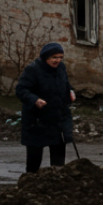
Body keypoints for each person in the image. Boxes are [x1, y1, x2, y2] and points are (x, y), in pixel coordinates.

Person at [15, 42, 76, 173]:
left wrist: (70, 91)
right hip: (37, 120)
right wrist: (35, 100)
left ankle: (57, 184)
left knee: (58, 162)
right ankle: (30, 185)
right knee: (34, 161)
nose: (58, 60)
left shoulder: (61, 68)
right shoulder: (33, 69)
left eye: (60, 57)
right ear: (46, 57)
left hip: (57, 119)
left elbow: (65, 84)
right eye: (54, 57)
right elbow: (21, 89)